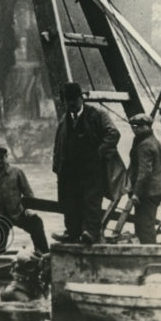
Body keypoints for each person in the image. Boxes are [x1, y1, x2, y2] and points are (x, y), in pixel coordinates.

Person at [52, 82, 121, 245]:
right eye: (67, 102)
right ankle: (72, 233)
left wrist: (99, 152)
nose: (71, 106)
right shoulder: (65, 119)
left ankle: (92, 234)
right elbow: (58, 144)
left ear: (80, 99)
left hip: (91, 170)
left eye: (73, 102)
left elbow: (113, 133)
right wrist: (57, 167)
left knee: (91, 202)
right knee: (69, 203)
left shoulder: (97, 115)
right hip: (69, 171)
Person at [0, 146, 48, 254]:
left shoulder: (17, 173)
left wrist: (29, 209)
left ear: (6, 157)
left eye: (2, 157)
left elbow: (28, 193)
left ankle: (43, 253)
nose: (0, 161)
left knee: (36, 223)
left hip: (17, 213)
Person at [126, 113, 161, 245]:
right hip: (155, 192)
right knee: (147, 225)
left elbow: (144, 172)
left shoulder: (144, 145)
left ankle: (150, 255)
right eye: (133, 127)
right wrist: (157, 172)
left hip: (145, 194)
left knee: (144, 228)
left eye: (137, 127)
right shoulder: (154, 140)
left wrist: (136, 193)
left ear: (145, 127)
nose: (134, 130)